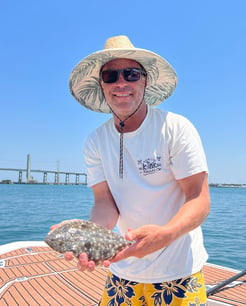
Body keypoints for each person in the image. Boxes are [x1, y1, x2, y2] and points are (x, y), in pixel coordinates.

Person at [66, 35, 210, 305]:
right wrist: (89, 240)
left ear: (145, 80)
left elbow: (199, 199)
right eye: (110, 76)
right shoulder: (95, 141)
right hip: (123, 270)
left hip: (179, 271)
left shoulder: (175, 128)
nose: (121, 83)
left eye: (131, 74)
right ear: (101, 85)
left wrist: (166, 235)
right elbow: (104, 204)